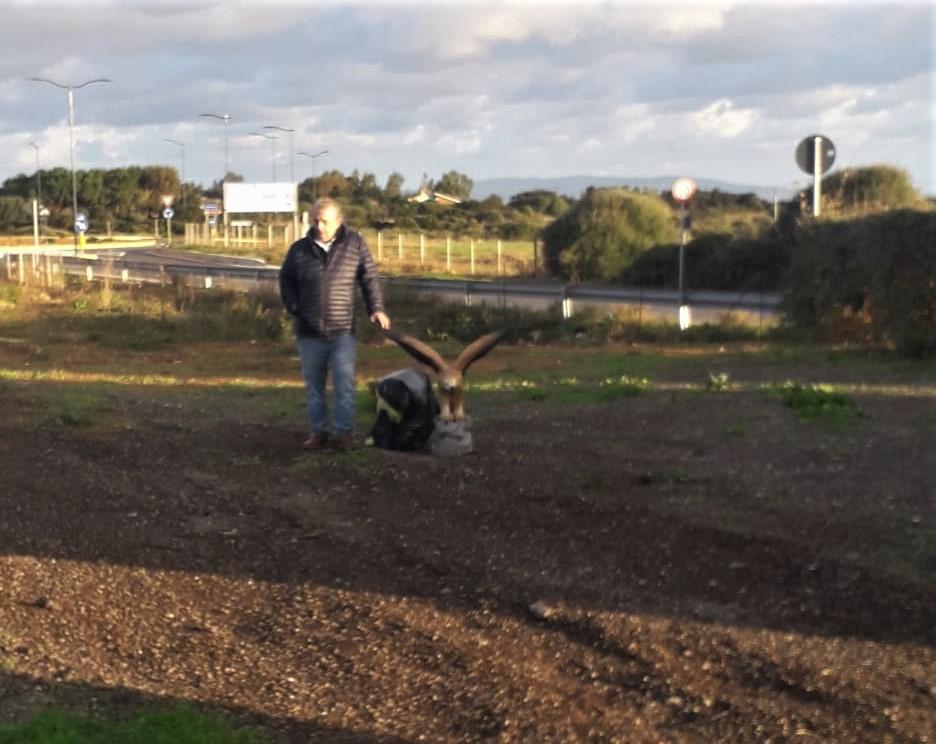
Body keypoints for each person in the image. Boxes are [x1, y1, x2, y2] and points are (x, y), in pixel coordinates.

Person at [279, 198, 391, 451]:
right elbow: (286, 281)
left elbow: (369, 277)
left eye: (325, 221)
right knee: (314, 388)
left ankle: (345, 434)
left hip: (342, 331)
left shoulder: (355, 245)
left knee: (344, 385)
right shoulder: (299, 249)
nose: (319, 226)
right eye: (315, 220)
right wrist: (295, 308)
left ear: (339, 221)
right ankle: (318, 432)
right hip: (309, 332)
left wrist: (376, 308)